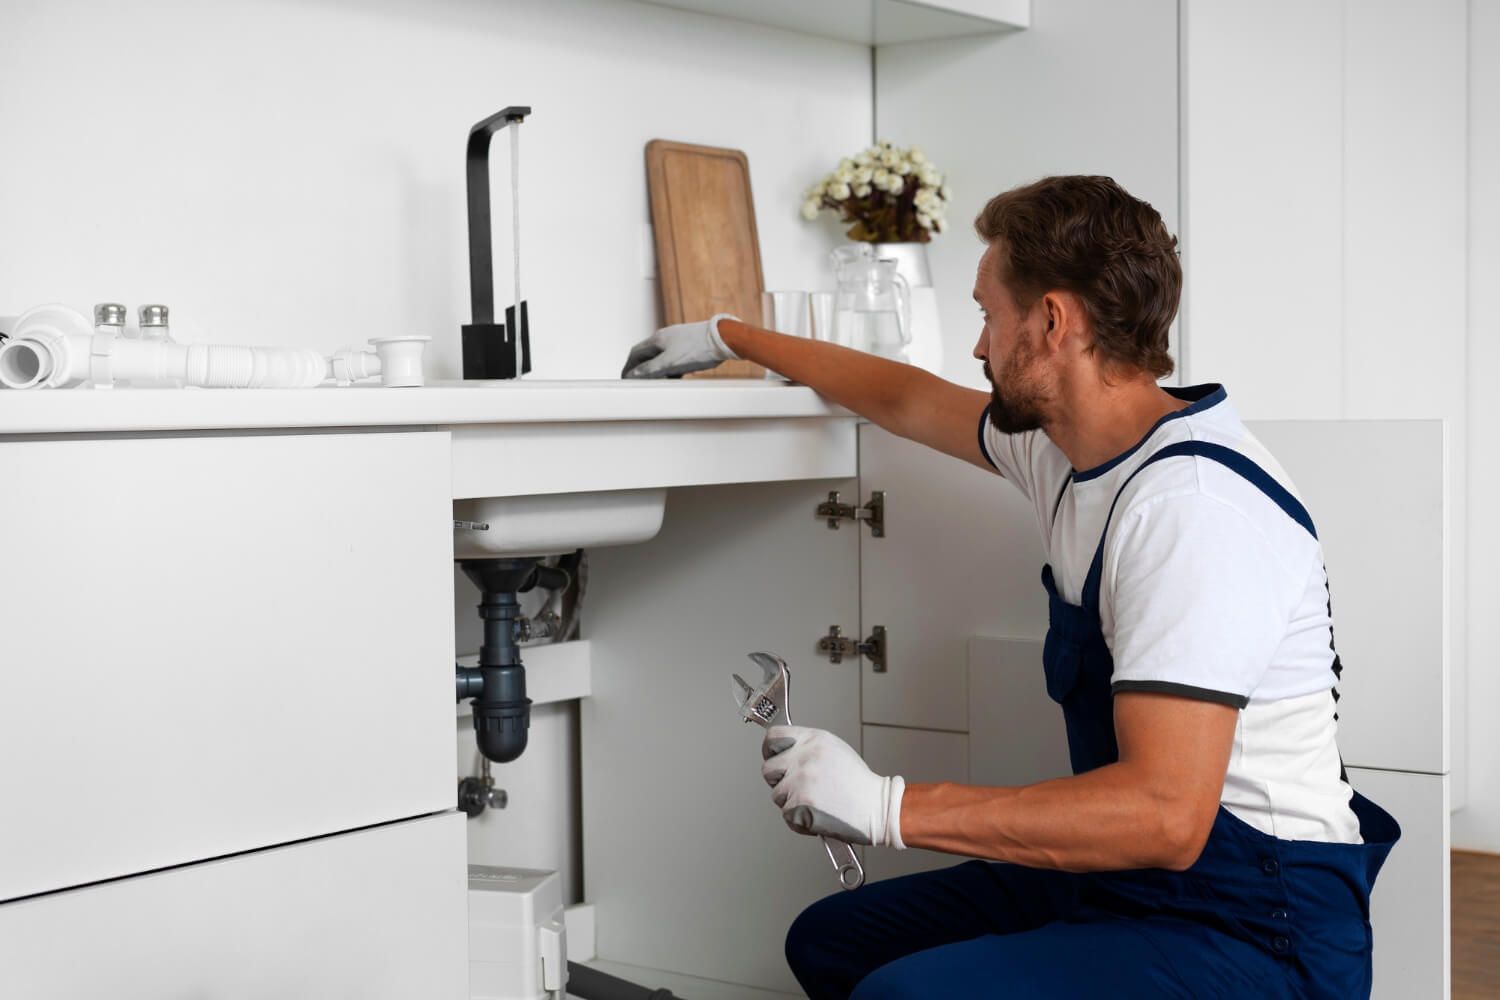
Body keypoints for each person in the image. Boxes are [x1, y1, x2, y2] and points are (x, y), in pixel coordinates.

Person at [621, 175, 1399, 999]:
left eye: (988, 315)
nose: (979, 347)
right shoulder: (1066, 450)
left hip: (1254, 924)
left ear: (1054, 322)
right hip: (1131, 881)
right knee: (834, 943)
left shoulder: (1189, 509)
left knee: (901, 995)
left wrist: (886, 805)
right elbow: (905, 396)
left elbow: (1166, 816)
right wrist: (729, 336)